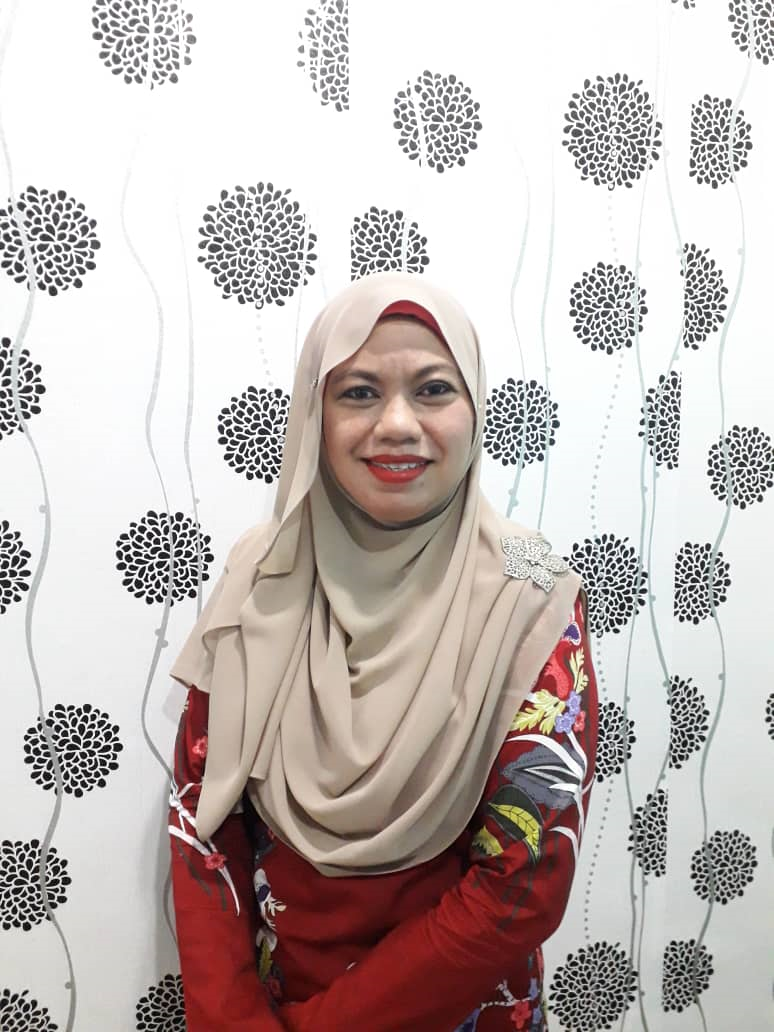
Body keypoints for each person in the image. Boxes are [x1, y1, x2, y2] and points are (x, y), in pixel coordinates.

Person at [167, 271, 598, 1031]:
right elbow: (203, 817)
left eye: (433, 390)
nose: (397, 424)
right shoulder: (261, 572)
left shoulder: (532, 592)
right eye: (359, 392)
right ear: (316, 412)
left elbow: (522, 880)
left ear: (475, 408)